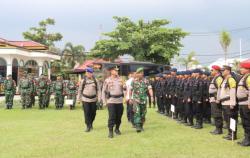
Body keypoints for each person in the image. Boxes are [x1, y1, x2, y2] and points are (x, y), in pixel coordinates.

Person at [102, 66, 124, 138]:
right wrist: (104, 101)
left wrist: (123, 86)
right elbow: (103, 91)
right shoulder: (107, 80)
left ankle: (117, 129)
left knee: (119, 116)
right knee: (112, 116)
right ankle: (110, 131)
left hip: (120, 100)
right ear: (111, 71)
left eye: (117, 70)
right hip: (111, 101)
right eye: (115, 70)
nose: (117, 71)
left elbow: (125, 89)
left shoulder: (121, 79)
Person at [129, 67, 153, 132]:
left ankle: (141, 125)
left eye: (141, 73)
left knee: (143, 113)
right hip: (136, 99)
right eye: (138, 73)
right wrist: (130, 98)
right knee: (137, 112)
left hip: (144, 100)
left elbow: (149, 88)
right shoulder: (133, 81)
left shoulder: (146, 81)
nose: (140, 74)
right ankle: (138, 126)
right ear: (137, 74)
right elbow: (130, 90)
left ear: (142, 74)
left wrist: (152, 96)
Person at [218, 65, 238, 140]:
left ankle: (233, 135)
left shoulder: (231, 79)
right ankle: (229, 133)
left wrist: (232, 103)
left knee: (231, 119)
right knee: (227, 119)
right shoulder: (225, 80)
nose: (222, 72)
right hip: (224, 103)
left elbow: (233, 92)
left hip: (229, 103)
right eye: (222, 70)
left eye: (224, 70)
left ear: (228, 71)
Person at [77, 67, 100, 132]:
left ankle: (91, 123)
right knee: (86, 113)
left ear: (92, 73)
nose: (88, 74)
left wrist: (99, 98)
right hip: (85, 99)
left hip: (93, 99)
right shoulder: (83, 81)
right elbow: (80, 90)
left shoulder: (96, 81)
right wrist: (78, 99)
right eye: (87, 73)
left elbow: (99, 90)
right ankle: (88, 126)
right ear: (86, 73)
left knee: (93, 113)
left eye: (90, 73)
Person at [237, 60, 250, 146]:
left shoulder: (248, 77)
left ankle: (248, 140)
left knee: (247, 121)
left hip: (246, 103)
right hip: (242, 103)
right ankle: (246, 138)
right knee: (244, 122)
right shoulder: (244, 77)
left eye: (242, 68)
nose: (240, 69)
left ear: (247, 69)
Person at [209, 65, 224, 135]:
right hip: (213, 98)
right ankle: (217, 128)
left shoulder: (219, 78)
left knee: (217, 114)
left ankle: (219, 129)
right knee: (215, 114)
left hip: (216, 99)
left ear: (216, 71)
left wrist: (218, 99)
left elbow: (220, 89)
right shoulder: (215, 77)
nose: (211, 71)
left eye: (212, 70)